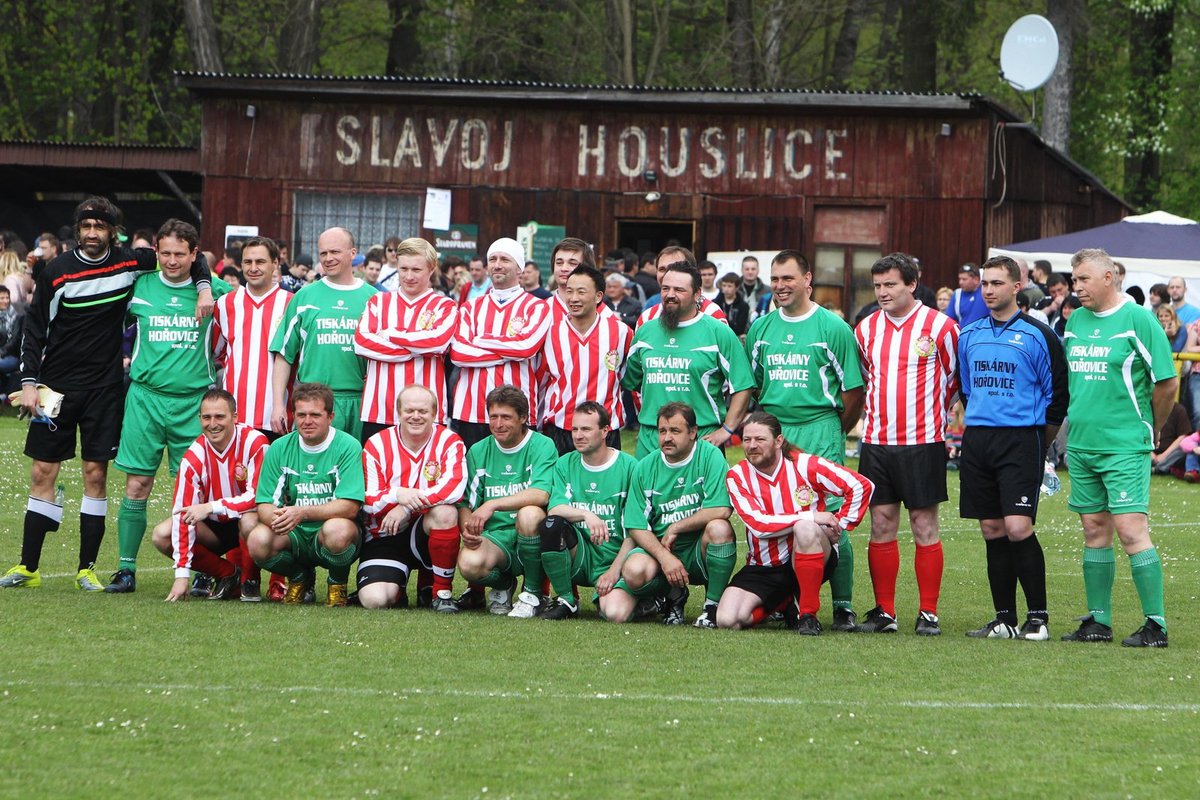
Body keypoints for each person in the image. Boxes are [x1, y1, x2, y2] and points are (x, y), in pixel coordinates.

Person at [1, 198, 213, 592]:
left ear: (113, 232)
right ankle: (27, 566)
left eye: (101, 227)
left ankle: (87, 569)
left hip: (104, 389)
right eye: (86, 227)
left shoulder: (131, 262)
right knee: (41, 472)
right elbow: (34, 327)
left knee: (96, 475)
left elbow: (189, 257)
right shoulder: (56, 271)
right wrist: (29, 382)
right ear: (77, 230)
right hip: (54, 387)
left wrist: (203, 288)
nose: (93, 233)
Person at [104, 219, 231, 593]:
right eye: (165, 253)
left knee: (196, 493)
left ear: (195, 255)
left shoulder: (218, 292)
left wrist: (207, 287)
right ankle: (126, 570)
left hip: (194, 403)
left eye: (180, 254)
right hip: (145, 398)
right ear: (156, 253)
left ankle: (203, 570)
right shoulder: (138, 287)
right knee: (137, 484)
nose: (172, 261)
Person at [1060, 248, 1175, 648]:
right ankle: (1098, 621)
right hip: (1083, 445)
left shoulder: (1138, 319)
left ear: (1108, 278)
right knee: (1094, 529)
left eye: (1083, 280)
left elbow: (1167, 383)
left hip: (1125, 445)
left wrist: (1152, 428)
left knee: (1130, 530)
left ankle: (1155, 625)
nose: (1077, 288)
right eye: (1074, 280)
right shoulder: (1075, 321)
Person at [745, 249, 865, 630]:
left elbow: (853, 392)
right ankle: (790, 600)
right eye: (775, 279)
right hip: (775, 431)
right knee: (784, 516)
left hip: (820, 429)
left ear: (807, 280)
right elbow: (756, 387)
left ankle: (843, 605)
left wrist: (832, 430)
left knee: (828, 519)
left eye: (788, 278)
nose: (780, 286)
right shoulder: (762, 329)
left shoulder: (833, 327)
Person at [956, 256, 1068, 641]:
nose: (988, 290)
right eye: (985, 283)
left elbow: (1057, 399)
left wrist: (1041, 441)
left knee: (1018, 528)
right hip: (979, 441)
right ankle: (1004, 619)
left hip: (1022, 439)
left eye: (997, 283)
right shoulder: (968, 335)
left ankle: (1038, 619)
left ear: (1017, 286)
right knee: (991, 529)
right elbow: (967, 391)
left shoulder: (1039, 335)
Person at [853, 252, 959, 635]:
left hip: (922, 441)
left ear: (911, 285)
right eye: (877, 285)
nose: (882, 292)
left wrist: (931, 414)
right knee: (880, 523)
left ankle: (928, 612)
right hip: (876, 442)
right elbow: (868, 377)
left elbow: (954, 380)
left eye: (890, 285)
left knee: (923, 524)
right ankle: (885, 611)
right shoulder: (864, 329)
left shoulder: (942, 327)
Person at [719, 411, 873, 634]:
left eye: (760, 439)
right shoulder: (737, 475)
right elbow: (759, 525)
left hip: (808, 554)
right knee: (727, 620)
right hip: (763, 566)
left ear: (778, 441)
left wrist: (840, 524)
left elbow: (860, 486)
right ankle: (783, 602)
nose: (752, 445)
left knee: (805, 528)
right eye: (746, 439)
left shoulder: (805, 465)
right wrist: (812, 516)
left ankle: (808, 616)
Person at [212, 235, 295, 600]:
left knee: (275, 499)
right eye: (248, 262)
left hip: (277, 417)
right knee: (236, 496)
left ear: (276, 264)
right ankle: (241, 576)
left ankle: (278, 578)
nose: (254, 268)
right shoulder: (225, 305)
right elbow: (215, 354)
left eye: (261, 261)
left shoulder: (292, 304)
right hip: (238, 420)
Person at [608, 402, 737, 627]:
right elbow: (636, 525)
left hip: (698, 547)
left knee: (719, 528)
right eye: (662, 431)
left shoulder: (710, 456)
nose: (667, 438)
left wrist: (676, 526)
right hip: (662, 549)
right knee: (633, 570)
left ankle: (712, 606)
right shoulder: (645, 466)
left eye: (675, 431)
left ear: (693, 432)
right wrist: (664, 557)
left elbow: (722, 509)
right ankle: (671, 595)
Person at [246, 382, 364, 606]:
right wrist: (281, 519)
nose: (307, 421)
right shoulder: (280, 447)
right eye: (301, 414)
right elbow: (264, 504)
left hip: (330, 530)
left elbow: (350, 507)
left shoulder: (348, 446)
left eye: (315, 415)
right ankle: (300, 576)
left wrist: (302, 513)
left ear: (330, 417)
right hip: (293, 533)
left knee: (338, 530)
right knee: (257, 539)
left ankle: (337, 583)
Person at [622, 260, 754, 457]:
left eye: (679, 289)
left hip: (701, 438)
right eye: (665, 288)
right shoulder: (645, 332)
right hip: (652, 439)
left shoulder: (718, 332)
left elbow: (743, 385)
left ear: (697, 294)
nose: (670, 295)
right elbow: (631, 380)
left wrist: (727, 430)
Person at [149, 390, 270, 602]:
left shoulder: (255, 442)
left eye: (220, 417)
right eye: (206, 417)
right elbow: (182, 513)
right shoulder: (193, 457)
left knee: (249, 520)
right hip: (215, 529)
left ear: (235, 417)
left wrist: (210, 506)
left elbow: (257, 497)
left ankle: (250, 582)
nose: (212, 424)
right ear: (199, 419)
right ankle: (228, 573)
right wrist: (181, 575)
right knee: (162, 534)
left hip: (252, 522)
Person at [359, 385, 466, 611]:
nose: (416, 416)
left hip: (424, 532)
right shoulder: (376, 444)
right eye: (409, 410)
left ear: (435, 414)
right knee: (375, 600)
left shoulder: (450, 441)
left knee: (446, 512)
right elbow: (368, 500)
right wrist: (398, 494)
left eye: (423, 411)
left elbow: (454, 488)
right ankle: (397, 588)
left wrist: (405, 506)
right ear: (398, 412)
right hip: (385, 535)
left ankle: (441, 593)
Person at [455, 385, 558, 616]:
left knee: (530, 513)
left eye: (506, 417)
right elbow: (466, 504)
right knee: (469, 564)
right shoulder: (479, 450)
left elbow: (541, 494)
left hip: (531, 533)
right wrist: (469, 529)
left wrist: (492, 504)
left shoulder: (542, 445)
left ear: (523, 418)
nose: (498, 424)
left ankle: (533, 593)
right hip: (495, 538)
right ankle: (503, 584)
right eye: (493, 417)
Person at [270, 227, 377, 441]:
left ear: (352, 253)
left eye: (335, 252)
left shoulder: (374, 298)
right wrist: (277, 405)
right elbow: (284, 354)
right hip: (313, 401)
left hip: (360, 402)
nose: (328, 258)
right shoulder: (304, 296)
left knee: (355, 468)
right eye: (323, 253)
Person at [536, 402, 639, 620]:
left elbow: (635, 527)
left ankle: (645, 598)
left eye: (586, 429)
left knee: (615, 614)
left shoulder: (630, 467)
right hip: (582, 553)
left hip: (618, 556)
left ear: (605, 431)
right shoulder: (565, 463)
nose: (578, 435)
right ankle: (567, 600)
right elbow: (555, 508)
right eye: (575, 429)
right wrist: (587, 515)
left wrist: (614, 571)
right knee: (551, 524)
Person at [449, 238, 551, 451]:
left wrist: (479, 340)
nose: (497, 264)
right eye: (492, 259)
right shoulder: (470, 307)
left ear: (520, 267)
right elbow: (458, 353)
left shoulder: (537, 307)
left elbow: (526, 348)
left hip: (517, 409)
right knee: (474, 473)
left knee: (516, 478)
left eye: (505, 259)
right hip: (471, 409)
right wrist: (509, 350)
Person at [354, 237, 457, 441]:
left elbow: (437, 342)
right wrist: (415, 349)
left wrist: (388, 334)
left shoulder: (445, 306)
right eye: (403, 269)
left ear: (431, 268)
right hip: (380, 410)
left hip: (427, 414)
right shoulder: (378, 301)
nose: (409, 276)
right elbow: (361, 344)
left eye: (416, 270)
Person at [538, 265, 632, 455]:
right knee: (560, 484)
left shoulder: (620, 332)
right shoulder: (549, 334)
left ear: (598, 296)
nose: (573, 298)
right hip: (562, 429)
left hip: (606, 430)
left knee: (608, 484)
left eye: (581, 292)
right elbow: (541, 381)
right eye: (569, 291)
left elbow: (630, 377)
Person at [635, 246, 726, 328]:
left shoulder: (712, 314)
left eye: (676, 268)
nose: (668, 274)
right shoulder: (647, 317)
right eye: (662, 269)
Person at [946, 263, 987, 327]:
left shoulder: (986, 291)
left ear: (976, 279)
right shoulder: (957, 294)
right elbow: (949, 320)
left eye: (964, 279)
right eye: (959, 279)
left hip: (984, 334)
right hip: (963, 334)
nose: (960, 282)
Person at [0, 285, 23, 390]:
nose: (5, 301)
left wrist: (1, 352)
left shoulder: (15, 316)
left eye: (7, 298)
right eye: (2, 298)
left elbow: (14, 340)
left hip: (11, 355)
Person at [714, 272, 750, 337]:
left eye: (729, 286)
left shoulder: (743, 306)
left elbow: (740, 329)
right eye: (724, 285)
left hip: (735, 338)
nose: (726, 289)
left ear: (736, 287)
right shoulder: (715, 303)